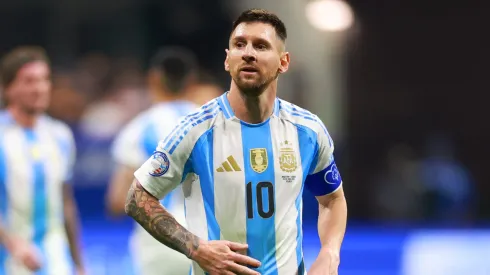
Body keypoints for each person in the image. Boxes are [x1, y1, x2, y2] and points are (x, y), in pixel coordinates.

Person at [125, 9, 347, 275]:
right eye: (239, 45)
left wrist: (329, 252)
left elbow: (332, 200)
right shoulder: (195, 131)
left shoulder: (307, 131)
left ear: (283, 62)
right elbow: (137, 197)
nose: (248, 53)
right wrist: (197, 248)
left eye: (261, 45)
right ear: (227, 60)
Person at [106, 46, 200, 274]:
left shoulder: (138, 129)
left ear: (154, 78)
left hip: (158, 247)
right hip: (207, 243)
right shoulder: (213, 125)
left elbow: (118, 202)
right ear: (192, 80)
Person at [0, 46, 85, 275]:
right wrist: (13, 244)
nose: (39, 88)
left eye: (44, 80)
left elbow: (65, 202)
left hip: (56, 263)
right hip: (8, 263)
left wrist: (79, 264)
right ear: (8, 89)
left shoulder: (60, 136)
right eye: (28, 81)